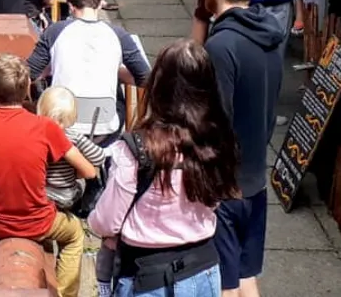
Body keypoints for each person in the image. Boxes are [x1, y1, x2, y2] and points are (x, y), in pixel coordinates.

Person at [88, 39, 240, 297]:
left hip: (147, 276)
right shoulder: (218, 141)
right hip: (204, 271)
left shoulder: (137, 148)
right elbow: (215, 198)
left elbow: (106, 221)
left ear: (159, 86)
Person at [0, 55, 95, 297]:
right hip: (40, 222)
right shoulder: (46, 127)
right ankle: (64, 292)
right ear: (28, 86)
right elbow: (89, 170)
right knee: (75, 236)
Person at [203, 0, 282, 297]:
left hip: (226, 184)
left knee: (224, 282)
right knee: (247, 275)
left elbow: (216, 120)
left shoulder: (222, 48)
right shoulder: (268, 36)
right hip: (254, 178)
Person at [27, 0, 151, 137]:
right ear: (100, 5)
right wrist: (117, 72)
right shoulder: (119, 35)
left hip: (61, 125)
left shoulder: (55, 31)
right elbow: (145, 77)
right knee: (119, 96)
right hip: (104, 129)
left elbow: (29, 74)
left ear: (71, 6)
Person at [38, 87, 106, 209]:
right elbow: (99, 157)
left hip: (41, 194)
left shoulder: (35, 135)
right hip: (65, 195)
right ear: (71, 115)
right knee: (81, 185)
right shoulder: (73, 137)